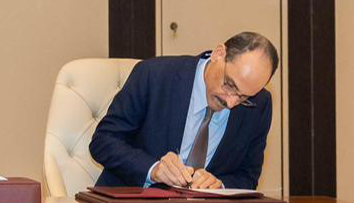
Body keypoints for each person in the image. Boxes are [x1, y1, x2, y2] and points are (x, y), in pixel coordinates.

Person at [89, 31, 278, 191]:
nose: (231, 102)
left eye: (244, 98)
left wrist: (220, 186)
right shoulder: (154, 76)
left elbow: (247, 176)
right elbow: (103, 141)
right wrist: (153, 169)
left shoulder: (260, 104)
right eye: (229, 85)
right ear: (218, 54)